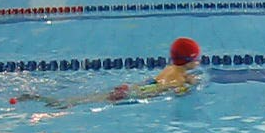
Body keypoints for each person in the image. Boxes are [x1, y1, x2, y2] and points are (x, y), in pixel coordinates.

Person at [17, 37, 203, 109]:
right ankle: (55, 102)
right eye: (197, 58)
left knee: (91, 97)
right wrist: (189, 87)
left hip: (134, 88)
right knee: (86, 101)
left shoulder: (171, 69)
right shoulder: (178, 79)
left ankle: (52, 100)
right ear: (188, 61)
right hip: (134, 94)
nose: (199, 61)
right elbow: (177, 91)